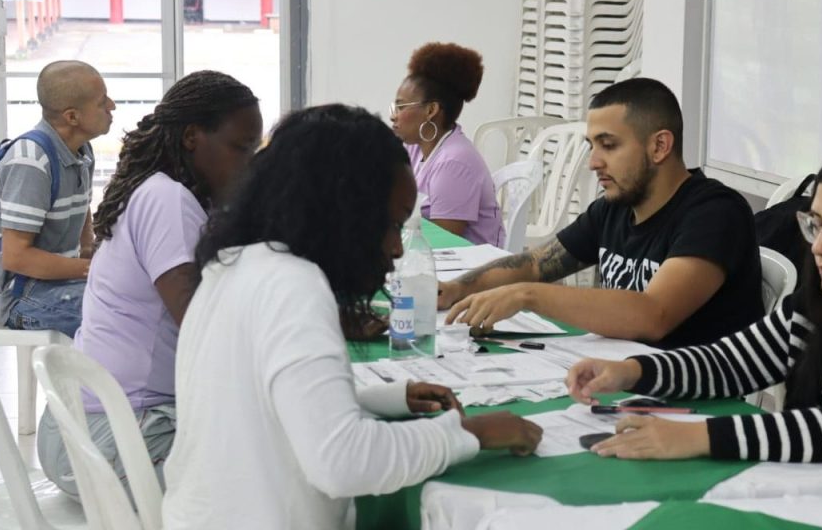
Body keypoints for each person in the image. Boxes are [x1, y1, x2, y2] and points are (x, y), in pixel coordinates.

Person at [162, 104, 542, 530]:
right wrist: (471, 433)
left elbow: (263, 405)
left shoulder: (233, 265)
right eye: (391, 225)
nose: (397, 249)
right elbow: (342, 462)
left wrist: (382, 399)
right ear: (344, 214)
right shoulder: (293, 285)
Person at [566, 140, 822, 514]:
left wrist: (695, 437)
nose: (818, 246)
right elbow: (731, 362)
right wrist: (632, 371)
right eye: (814, 224)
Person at [35, 71, 262, 497]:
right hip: (115, 440)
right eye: (240, 148)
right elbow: (203, 326)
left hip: (92, 431)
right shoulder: (167, 200)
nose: (249, 164)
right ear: (193, 137)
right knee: (282, 476)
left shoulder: (165, 191)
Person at [441, 78, 763, 348]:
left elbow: (653, 315)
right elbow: (536, 264)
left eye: (608, 145)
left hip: (694, 400)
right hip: (620, 374)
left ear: (660, 146)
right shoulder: (614, 207)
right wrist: (456, 288)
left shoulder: (714, 213)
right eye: (591, 146)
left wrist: (527, 296)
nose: (593, 162)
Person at [0, 60, 114, 338]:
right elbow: (16, 258)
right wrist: (94, 269)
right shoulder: (32, 162)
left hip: (55, 281)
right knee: (122, 315)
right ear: (72, 117)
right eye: (102, 102)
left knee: (135, 299)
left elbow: (81, 207)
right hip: (19, 293)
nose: (112, 106)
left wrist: (90, 249)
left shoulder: (81, 150)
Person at [390, 42, 505, 246]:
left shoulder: (454, 162)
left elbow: (444, 243)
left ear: (431, 110)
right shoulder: (415, 148)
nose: (394, 116)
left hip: (469, 267)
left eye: (401, 106)